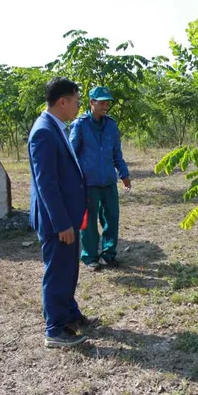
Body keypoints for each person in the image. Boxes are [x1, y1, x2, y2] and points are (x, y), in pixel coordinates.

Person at [28, 77, 98, 348]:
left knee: (68, 269)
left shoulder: (56, 127)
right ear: (62, 102)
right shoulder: (44, 132)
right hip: (57, 220)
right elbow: (47, 183)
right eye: (77, 101)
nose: (78, 106)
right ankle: (55, 328)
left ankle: (69, 314)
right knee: (57, 271)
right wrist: (61, 223)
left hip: (67, 216)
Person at [69, 86, 131, 270]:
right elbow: (71, 154)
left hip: (108, 182)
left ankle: (108, 254)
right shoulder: (80, 125)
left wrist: (124, 174)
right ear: (91, 103)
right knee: (88, 223)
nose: (106, 106)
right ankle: (90, 257)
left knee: (111, 218)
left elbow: (116, 154)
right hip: (88, 183)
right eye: (102, 102)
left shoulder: (111, 125)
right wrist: (73, 180)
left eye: (107, 103)